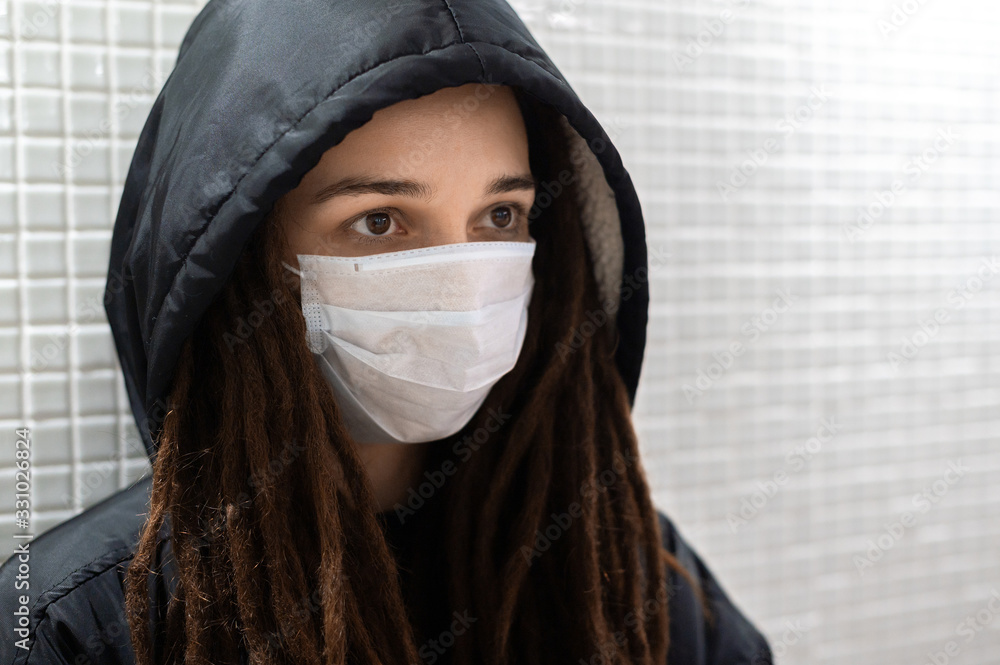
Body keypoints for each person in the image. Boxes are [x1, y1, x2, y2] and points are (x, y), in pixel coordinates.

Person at [0, 1, 773, 664]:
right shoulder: (78, 626)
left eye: (500, 216)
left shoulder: (609, 560)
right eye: (379, 220)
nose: (460, 282)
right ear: (237, 264)